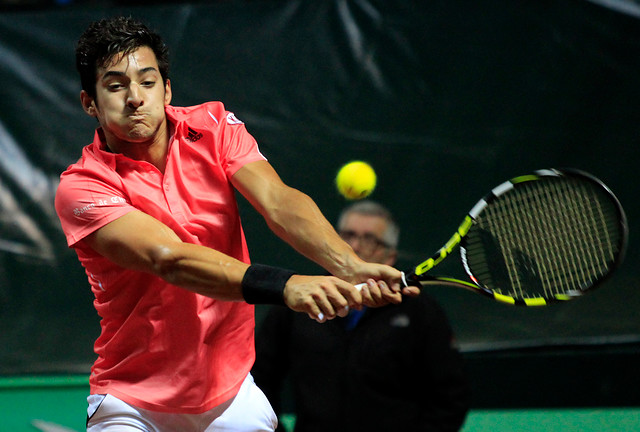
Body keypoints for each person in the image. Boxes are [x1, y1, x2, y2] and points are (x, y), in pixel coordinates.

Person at [54, 17, 419, 432]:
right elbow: (169, 259)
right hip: (133, 401)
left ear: (167, 89)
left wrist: (349, 264)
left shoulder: (213, 127)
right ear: (90, 103)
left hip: (229, 394)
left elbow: (278, 203)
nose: (135, 98)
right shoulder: (82, 188)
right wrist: (286, 285)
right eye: (116, 86)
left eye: (148, 81)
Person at [252, 200, 471, 432]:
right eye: (347, 235)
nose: (354, 245)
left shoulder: (420, 312)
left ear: (390, 257)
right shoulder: (300, 302)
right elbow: (260, 378)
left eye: (370, 239)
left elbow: (450, 395)